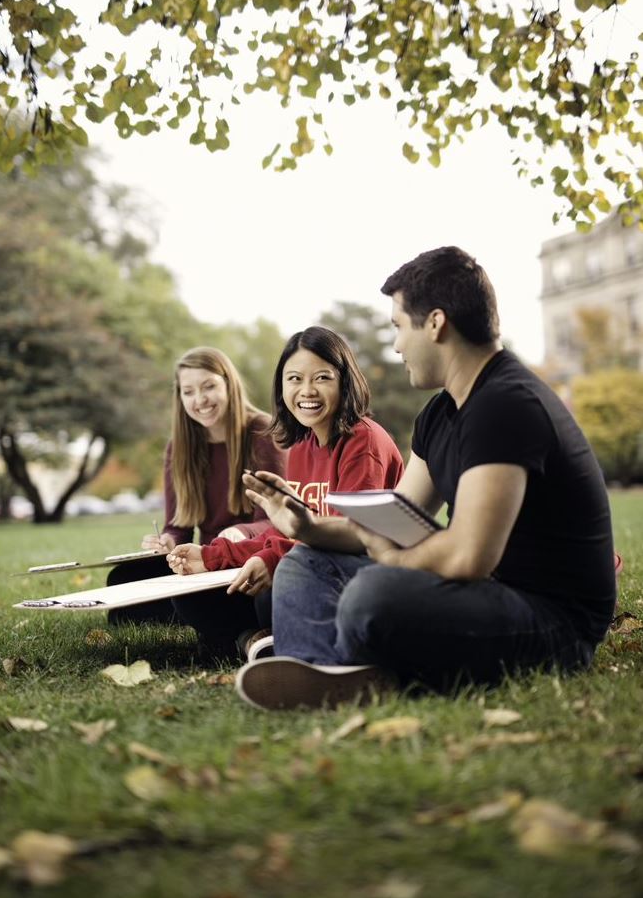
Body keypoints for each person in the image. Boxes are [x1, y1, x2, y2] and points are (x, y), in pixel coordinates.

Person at [235, 246, 618, 710]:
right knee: (305, 562)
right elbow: (396, 519)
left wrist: (391, 564)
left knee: (373, 594)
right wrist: (307, 528)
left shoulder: (506, 403)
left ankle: (352, 661)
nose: (396, 345)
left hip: (553, 622)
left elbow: (468, 555)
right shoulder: (441, 413)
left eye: (398, 326)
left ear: (435, 323)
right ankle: (331, 674)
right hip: (486, 595)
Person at [166, 326, 404, 660]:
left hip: (359, 575)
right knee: (192, 595)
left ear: (345, 381)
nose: (307, 390)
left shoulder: (363, 442)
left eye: (321, 378)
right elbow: (285, 531)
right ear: (281, 386)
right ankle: (255, 639)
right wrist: (210, 556)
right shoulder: (303, 446)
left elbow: (348, 536)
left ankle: (257, 638)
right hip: (306, 564)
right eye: (294, 379)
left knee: (274, 587)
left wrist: (272, 559)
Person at [106, 346, 286, 626]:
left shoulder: (263, 432)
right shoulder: (178, 447)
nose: (200, 400)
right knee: (121, 579)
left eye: (208, 387)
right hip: (203, 559)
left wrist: (240, 531)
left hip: (249, 556)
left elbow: (279, 519)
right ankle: (198, 612)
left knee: (180, 603)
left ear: (228, 384)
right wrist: (167, 541)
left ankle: (205, 615)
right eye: (188, 392)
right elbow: (179, 526)